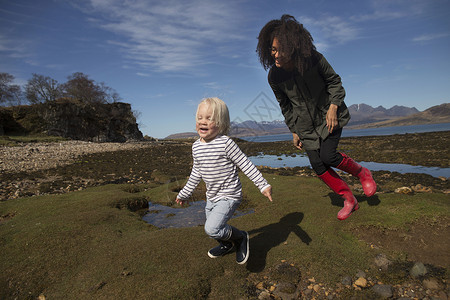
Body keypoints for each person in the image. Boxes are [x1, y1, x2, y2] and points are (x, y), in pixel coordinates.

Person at [256, 15, 376, 220]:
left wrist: (333, 107)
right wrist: (293, 130)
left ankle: (362, 173)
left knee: (328, 156)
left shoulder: (313, 59)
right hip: (304, 127)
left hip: (329, 118)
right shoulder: (274, 76)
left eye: (279, 49)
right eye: (272, 50)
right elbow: (285, 105)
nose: (275, 55)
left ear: (292, 46)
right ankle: (349, 200)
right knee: (318, 165)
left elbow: (334, 82)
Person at [176, 97, 273, 264]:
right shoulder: (196, 147)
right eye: (200, 118)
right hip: (212, 196)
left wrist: (263, 185)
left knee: (212, 228)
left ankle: (241, 237)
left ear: (220, 124)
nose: (203, 122)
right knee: (214, 229)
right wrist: (184, 193)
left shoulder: (226, 143)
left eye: (209, 118)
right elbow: (196, 173)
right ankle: (227, 244)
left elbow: (245, 164)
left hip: (229, 195)